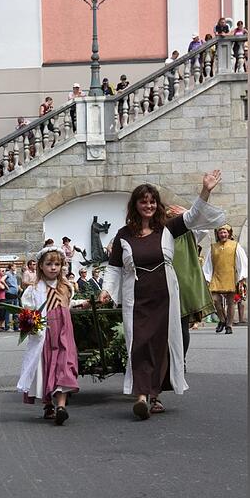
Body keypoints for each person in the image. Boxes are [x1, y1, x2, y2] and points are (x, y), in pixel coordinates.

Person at [98, 171, 226, 420]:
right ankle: (141, 396)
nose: (148, 206)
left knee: (161, 345)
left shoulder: (167, 228)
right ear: (135, 205)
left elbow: (193, 216)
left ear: (157, 205)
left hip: (164, 296)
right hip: (136, 298)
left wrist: (205, 190)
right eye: (143, 201)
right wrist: (106, 290)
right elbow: (114, 268)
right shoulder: (124, 234)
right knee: (138, 343)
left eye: (152, 201)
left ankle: (153, 395)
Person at [17, 246, 90, 425]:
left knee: (65, 365)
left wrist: (82, 303)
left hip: (64, 332)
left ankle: (61, 406)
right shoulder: (34, 289)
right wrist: (30, 322)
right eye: (49, 264)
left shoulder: (66, 287)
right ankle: (48, 404)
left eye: (57, 264)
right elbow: (27, 311)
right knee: (47, 365)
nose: (53, 268)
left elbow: (67, 304)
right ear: (41, 266)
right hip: (46, 333)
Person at [165, 205, 217, 358]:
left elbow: (205, 226)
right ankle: (170, 361)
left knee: (181, 326)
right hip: (165, 283)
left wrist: (187, 213)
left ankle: (180, 360)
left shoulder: (190, 232)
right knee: (166, 327)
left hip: (184, 286)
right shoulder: (161, 234)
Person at [203, 223, 248, 334]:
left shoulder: (235, 246)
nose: (223, 234)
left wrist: (242, 277)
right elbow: (208, 264)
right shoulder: (213, 247)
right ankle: (223, 320)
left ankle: (229, 325)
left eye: (225, 232)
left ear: (229, 233)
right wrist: (207, 278)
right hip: (216, 277)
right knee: (215, 299)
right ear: (217, 234)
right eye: (221, 232)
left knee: (231, 302)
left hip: (230, 276)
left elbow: (242, 262)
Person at [0, 266, 10, 331]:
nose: (4, 272)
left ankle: (2, 325)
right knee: (0, 311)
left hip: (4, 296)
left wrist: (3, 282)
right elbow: (2, 287)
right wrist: (3, 282)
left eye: (4, 271)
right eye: (2, 271)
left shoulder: (2, 279)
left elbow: (7, 288)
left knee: (3, 312)